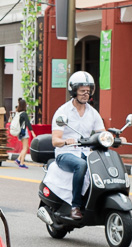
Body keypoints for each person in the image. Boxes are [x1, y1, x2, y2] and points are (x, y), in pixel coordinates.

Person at [51, 71, 105, 220]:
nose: (85, 94)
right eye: (82, 91)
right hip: (66, 153)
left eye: (88, 91)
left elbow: (101, 133)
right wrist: (65, 141)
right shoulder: (63, 112)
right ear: (74, 91)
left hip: (86, 152)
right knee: (81, 165)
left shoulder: (93, 113)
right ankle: (75, 206)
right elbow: (55, 140)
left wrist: (111, 137)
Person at [13, 98, 34, 169]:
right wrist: (32, 132)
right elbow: (28, 123)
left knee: (26, 147)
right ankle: (21, 163)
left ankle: (18, 159)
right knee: (25, 148)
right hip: (23, 132)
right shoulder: (24, 114)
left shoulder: (18, 113)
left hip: (19, 132)